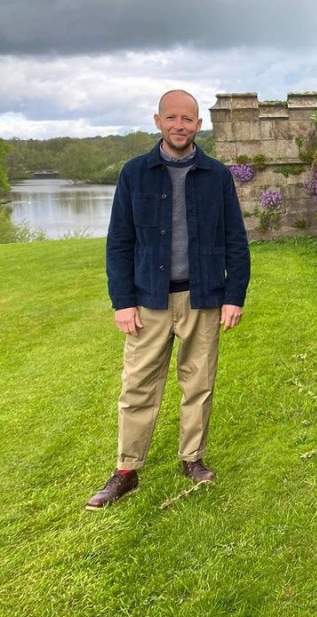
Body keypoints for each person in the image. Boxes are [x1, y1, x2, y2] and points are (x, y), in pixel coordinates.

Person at [86, 89, 250, 510]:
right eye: (172, 117)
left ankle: (192, 459)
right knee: (138, 385)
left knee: (198, 383)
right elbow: (119, 241)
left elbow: (235, 239)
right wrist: (122, 301)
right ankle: (127, 470)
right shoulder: (135, 172)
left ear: (198, 125)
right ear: (158, 120)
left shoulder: (216, 175)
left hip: (203, 297)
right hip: (148, 300)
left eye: (188, 119)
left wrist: (234, 296)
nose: (180, 125)